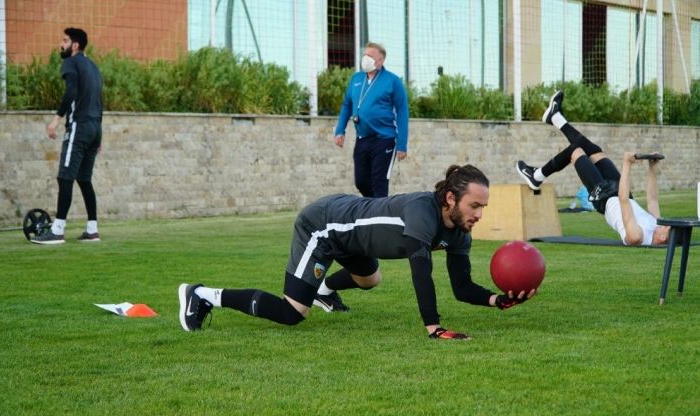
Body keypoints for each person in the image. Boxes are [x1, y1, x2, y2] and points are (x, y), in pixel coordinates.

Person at [178, 164, 537, 340]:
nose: (479, 215)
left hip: (353, 237)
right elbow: (420, 273)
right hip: (324, 226)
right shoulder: (421, 214)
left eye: (483, 208)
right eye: (475, 205)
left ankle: (324, 289)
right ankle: (202, 294)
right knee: (292, 313)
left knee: (371, 279)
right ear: (450, 199)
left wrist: (497, 301)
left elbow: (462, 287)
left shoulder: (459, 232)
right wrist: (433, 328)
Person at [516, 90, 670, 246]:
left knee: (575, 151)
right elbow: (652, 200)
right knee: (594, 150)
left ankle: (537, 176)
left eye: (668, 228)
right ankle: (554, 119)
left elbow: (623, 202)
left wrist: (627, 164)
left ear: (663, 237)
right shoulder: (657, 225)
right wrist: (652, 167)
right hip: (622, 192)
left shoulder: (637, 237)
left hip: (605, 197)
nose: (667, 224)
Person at [323, 42, 410, 310]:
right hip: (363, 138)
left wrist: (403, 144)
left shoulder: (392, 82)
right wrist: (340, 130)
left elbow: (403, 111)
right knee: (361, 181)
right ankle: (372, 216)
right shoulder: (357, 79)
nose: (366, 59)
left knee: (378, 185)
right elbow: (347, 105)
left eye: (371, 56)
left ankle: (378, 228)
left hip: (385, 138)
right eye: (365, 54)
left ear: (381, 60)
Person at [32, 28, 103, 245]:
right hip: (94, 129)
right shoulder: (94, 67)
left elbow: (71, 92)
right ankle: (92, 230)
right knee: (84, 179)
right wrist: (99, 136)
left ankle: (57, 230)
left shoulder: (71, 63)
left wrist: (56, 119)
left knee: (65, 176)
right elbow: (99, 101)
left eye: (64, 41)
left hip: (79, 127)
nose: (60, 45)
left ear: (75, 45)